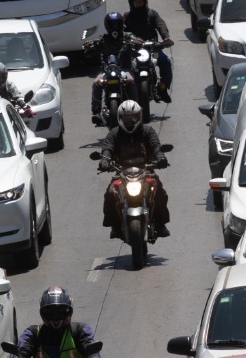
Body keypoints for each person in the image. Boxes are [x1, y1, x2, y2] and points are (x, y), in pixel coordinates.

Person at [99, 100, 170, 238]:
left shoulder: (148, 131)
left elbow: (156, 146)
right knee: (109, 194)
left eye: (133, 117)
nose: (130, 120)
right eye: (126, 117)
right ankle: (115, 226)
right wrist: (104, 160)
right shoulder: (114, 133)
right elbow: (107, 148)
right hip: (122, 174)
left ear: (139, 116)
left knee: (160, 191)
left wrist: (160, 157)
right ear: (120, 117)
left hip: (146, 171)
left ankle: (161, 224)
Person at [84, 11, 139, 125]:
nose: (114, 27)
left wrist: (137, 41)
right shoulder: (103, 39)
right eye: (111, 24)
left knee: (130, 81)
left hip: (124, 69)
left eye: (117, 24)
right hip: (107, 71)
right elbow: (91, 48)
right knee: (96, 82)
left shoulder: (127, 36)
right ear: (107, 25)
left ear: (121, 24)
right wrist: (89, 45)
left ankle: (135, 110)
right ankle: (97, 111)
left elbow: (137, 41)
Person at [123, 0, 173, 102]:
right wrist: (129, 40)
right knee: (123, 67)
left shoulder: (152, 14)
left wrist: (166, 37)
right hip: (134, 51)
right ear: (131, 3)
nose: (138, 3)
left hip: (152, 50)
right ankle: (125, 93)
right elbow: (122, 31)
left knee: (165, 62)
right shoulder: (127, 16)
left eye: (140, 1)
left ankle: (162, 88)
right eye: (135, 1)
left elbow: (160, 24)